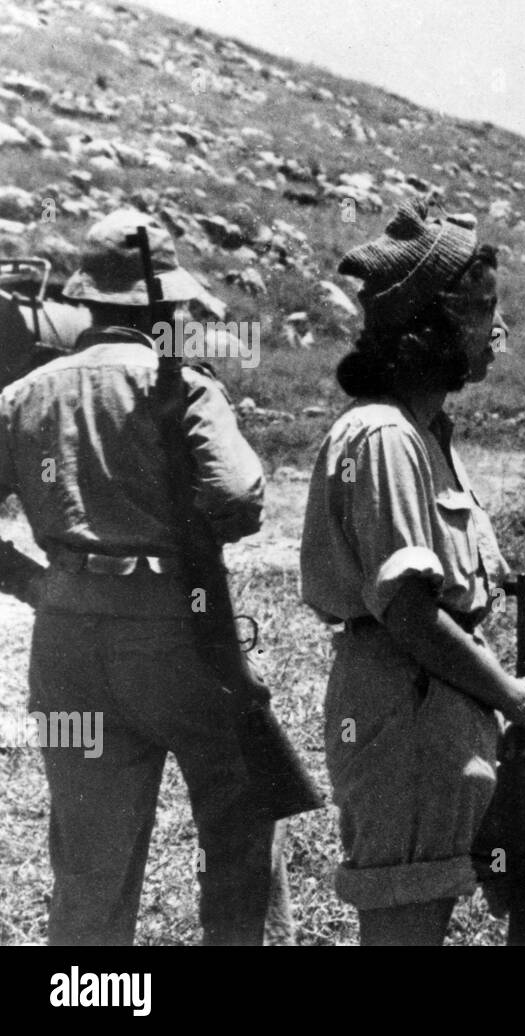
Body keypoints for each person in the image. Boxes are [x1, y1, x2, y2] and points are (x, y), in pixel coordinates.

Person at [300, 200, 525, 946]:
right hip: (405, 719)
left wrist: (501, 707)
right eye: (484, 310)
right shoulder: (383, 435)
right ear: (433, 327)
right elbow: (410, 612)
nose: (499, 330)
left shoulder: (427, 433)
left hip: (468, 717)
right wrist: (513, 695)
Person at [0, 210, 280, 945]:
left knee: (89, 866)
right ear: (166, 309)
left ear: (88, 302)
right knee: (240, 822)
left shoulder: (23, 395)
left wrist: (37, 583)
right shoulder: (182, 384)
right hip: (176, 633)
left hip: (63, 645)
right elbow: (240, 499)